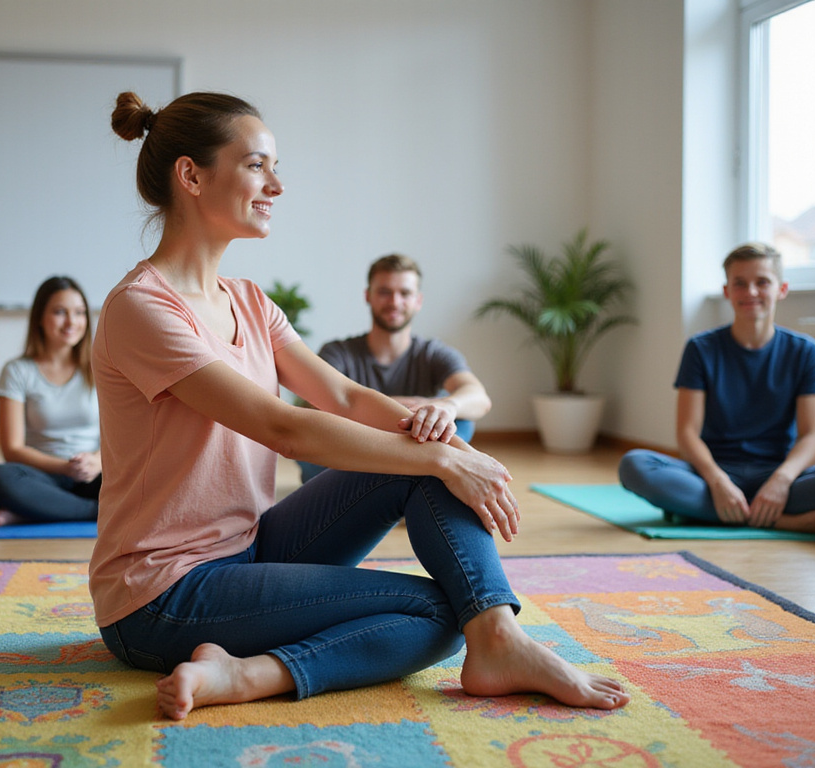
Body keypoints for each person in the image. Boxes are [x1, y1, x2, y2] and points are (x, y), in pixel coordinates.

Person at [93, 90, 629, 721]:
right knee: (438, 611)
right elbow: (283, 426)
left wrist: (439, 438)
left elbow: (343, 396)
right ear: (191, 175)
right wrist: (446, 463)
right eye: (258, 165)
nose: (278, 185)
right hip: (162, 595)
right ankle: (250, 674)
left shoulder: (248, 300)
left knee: (433, 484)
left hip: (250, 545)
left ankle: (500, 641)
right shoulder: (142, 308)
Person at [617, 243, 815, 534]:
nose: (751, 292)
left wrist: (781, 481)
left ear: (781, 289)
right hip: (711, 474)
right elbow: (687, 434)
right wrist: (718, 482)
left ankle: (708, 513)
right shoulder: (700, 348)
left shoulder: (806, 351)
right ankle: (783, 521)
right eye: (740, 284)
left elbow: (811, 436)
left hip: (778, 474)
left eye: (762, 282)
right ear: (727, 291)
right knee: (635, 465)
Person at [299, 253, 492, 482]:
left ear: (418, 301)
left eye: (405, 293)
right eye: (384, 292)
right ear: (368, 296)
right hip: (351, 455)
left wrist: (445, 406)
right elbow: (312, 407)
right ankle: (410, 479)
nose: (394, 302)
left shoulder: (433, 353)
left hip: (408, 450)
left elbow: (479, 398)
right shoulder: (338, 352)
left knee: (461, 420)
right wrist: (399, 408)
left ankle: (398, 480)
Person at [0, 276, 101, 526]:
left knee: (154, 471)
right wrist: (65, 468)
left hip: (97, 473)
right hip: (44, 475)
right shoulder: (17, 371)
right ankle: (97, 512)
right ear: (39, 318)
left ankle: (33, 512)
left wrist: (98, 461)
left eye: (79, 313)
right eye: (60, 312)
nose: (71, 322)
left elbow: (123, 434)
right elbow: (12, 449)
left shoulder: (101, 366)